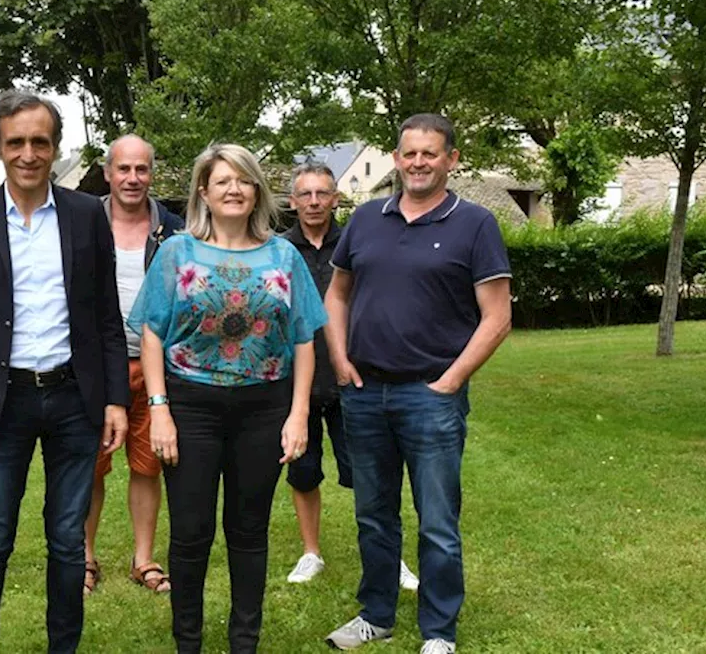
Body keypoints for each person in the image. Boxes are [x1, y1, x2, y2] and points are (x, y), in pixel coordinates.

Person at [0, 89, 130, 654]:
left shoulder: (85, 217)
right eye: (16, 141)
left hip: (74, 397)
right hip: (1, 402)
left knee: (68, 540)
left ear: (55, 147)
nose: (28, 153)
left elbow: (104, 316)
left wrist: (115, 399)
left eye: (39, 142)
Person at [323, 114, 512, 654]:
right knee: (372, 514)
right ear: (396, 157)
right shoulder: (365, 219)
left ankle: (438, 631)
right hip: (364, 394)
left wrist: (450, 381)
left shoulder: (475, 224)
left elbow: (496, 316)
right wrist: (340, 358)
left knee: (437, 521)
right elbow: (337, 294)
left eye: (430, 153)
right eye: (409, 153)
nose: (418, 163)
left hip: (430, 396)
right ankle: (376, 614)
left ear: (452, 159)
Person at [128, 143, 327, 654]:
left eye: (243, 180)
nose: (234, 189)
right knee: (191, 533)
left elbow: (304, 336)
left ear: (256, 189)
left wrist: (299, 413)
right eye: (223, 181)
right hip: (190, 406)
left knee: (249, 532)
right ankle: (187, 643)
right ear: (204, 191)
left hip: (265, 406)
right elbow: (151, 332)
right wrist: (159, 410)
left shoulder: (283, 256)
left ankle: (245, 643)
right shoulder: (177, 252)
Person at [282, 163, 420, 593]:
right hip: (298, 384)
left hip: (353, 380)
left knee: (368, 475)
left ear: (336, 198)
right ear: (292, 201)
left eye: (322, 193)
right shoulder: (280, 251)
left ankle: (389, 557)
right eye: (305, 195)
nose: (314, 202)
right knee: (303, 474)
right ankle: (311, 553)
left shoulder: (360, 241)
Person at [82, 134, 184, 596]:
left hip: (155, 363)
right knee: (89, 467)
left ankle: (143, 559)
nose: (132, 178)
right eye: (123, 168)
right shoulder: (82, 223)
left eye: (141, 169)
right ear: (107, 172)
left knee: (147, 465)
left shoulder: (174, 230)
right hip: (95, 365)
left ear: (152, 173)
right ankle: (83, 557)